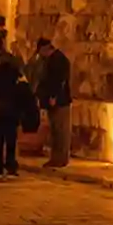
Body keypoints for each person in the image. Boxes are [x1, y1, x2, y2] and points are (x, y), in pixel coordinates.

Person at [0, 55, 26, 178]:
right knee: (11, 141)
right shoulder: (16, 79)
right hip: (12, 114)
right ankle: (11, 166)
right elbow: (22, 96)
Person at [36, 37, 73, 167]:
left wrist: (54, 96)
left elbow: (59, 80)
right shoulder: (50, 60)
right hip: (53, 100)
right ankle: (56, 157)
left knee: (61, 130)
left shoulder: (59, 60)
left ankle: (61, 158)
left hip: (59, 101)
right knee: (55, 130)